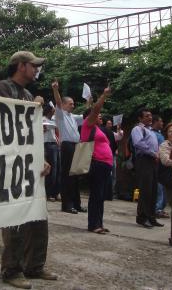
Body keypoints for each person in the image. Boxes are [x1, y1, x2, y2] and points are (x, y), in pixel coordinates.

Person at [0, 51, 57, 289]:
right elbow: (7, 121)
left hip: (30, 163)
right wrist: (33, 105)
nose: (36, 69)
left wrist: (43, 158)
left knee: (38, 216)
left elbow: (32, 132)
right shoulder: (3, 88)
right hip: (10, 163)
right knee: (15, 218)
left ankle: (35, 266)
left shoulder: (28, 93)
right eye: (33, 65)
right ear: (20, 66)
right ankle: (11, 269)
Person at [52, 80, 88, 214]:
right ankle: (67, 204)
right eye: (71, 103)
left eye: (73, 104)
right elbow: (58, 102)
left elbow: (86, 115)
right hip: (67, 146)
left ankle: (76, 203)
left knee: (76, 176)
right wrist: (56, 90)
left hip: (76, 146)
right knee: (67, 176)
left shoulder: (73, 117)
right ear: (64, 104)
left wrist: (89, 101)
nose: (73, 105)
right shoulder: (60, 115)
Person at [81, 87, 112, 234]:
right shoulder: (88, 125)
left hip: (105, 165)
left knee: (101, 196)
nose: (100, 116)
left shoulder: (98, 129)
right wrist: (104, 95)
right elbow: (96, 109)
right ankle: (93, 225)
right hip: (97, 164)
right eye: (97, 115)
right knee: (96, 195)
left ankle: (98, 222)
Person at [132, 109, 163, 228]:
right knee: (145, 190)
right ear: (140, 118)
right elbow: (138, 143)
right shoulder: (138, 129)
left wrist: (156, 154)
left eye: (150, 116)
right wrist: (152, 153)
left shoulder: (150, 131)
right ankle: (142, 217)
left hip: (152, 161)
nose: (150, 118)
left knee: (153, 189)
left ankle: (151, 217)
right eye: (146, 116)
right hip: (144, 160)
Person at [152, 115, 169, 219]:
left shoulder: (159, 134)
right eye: (161, 121)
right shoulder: (152, 134)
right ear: (156, 122)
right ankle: (157, 209)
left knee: (162, 187)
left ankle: (160, 208)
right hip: (157, 163)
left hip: (163, 164)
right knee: (159, 187)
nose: (162, 123)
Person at [43, 104, 60, 202]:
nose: (54, 111)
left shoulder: (53, 120)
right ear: (49, 110)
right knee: (52, 171)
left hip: (55, 144)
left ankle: (55, 192)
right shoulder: (42, 119)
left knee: (57, 170)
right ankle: (49, 193)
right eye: (53, 109)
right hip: (47, 144)